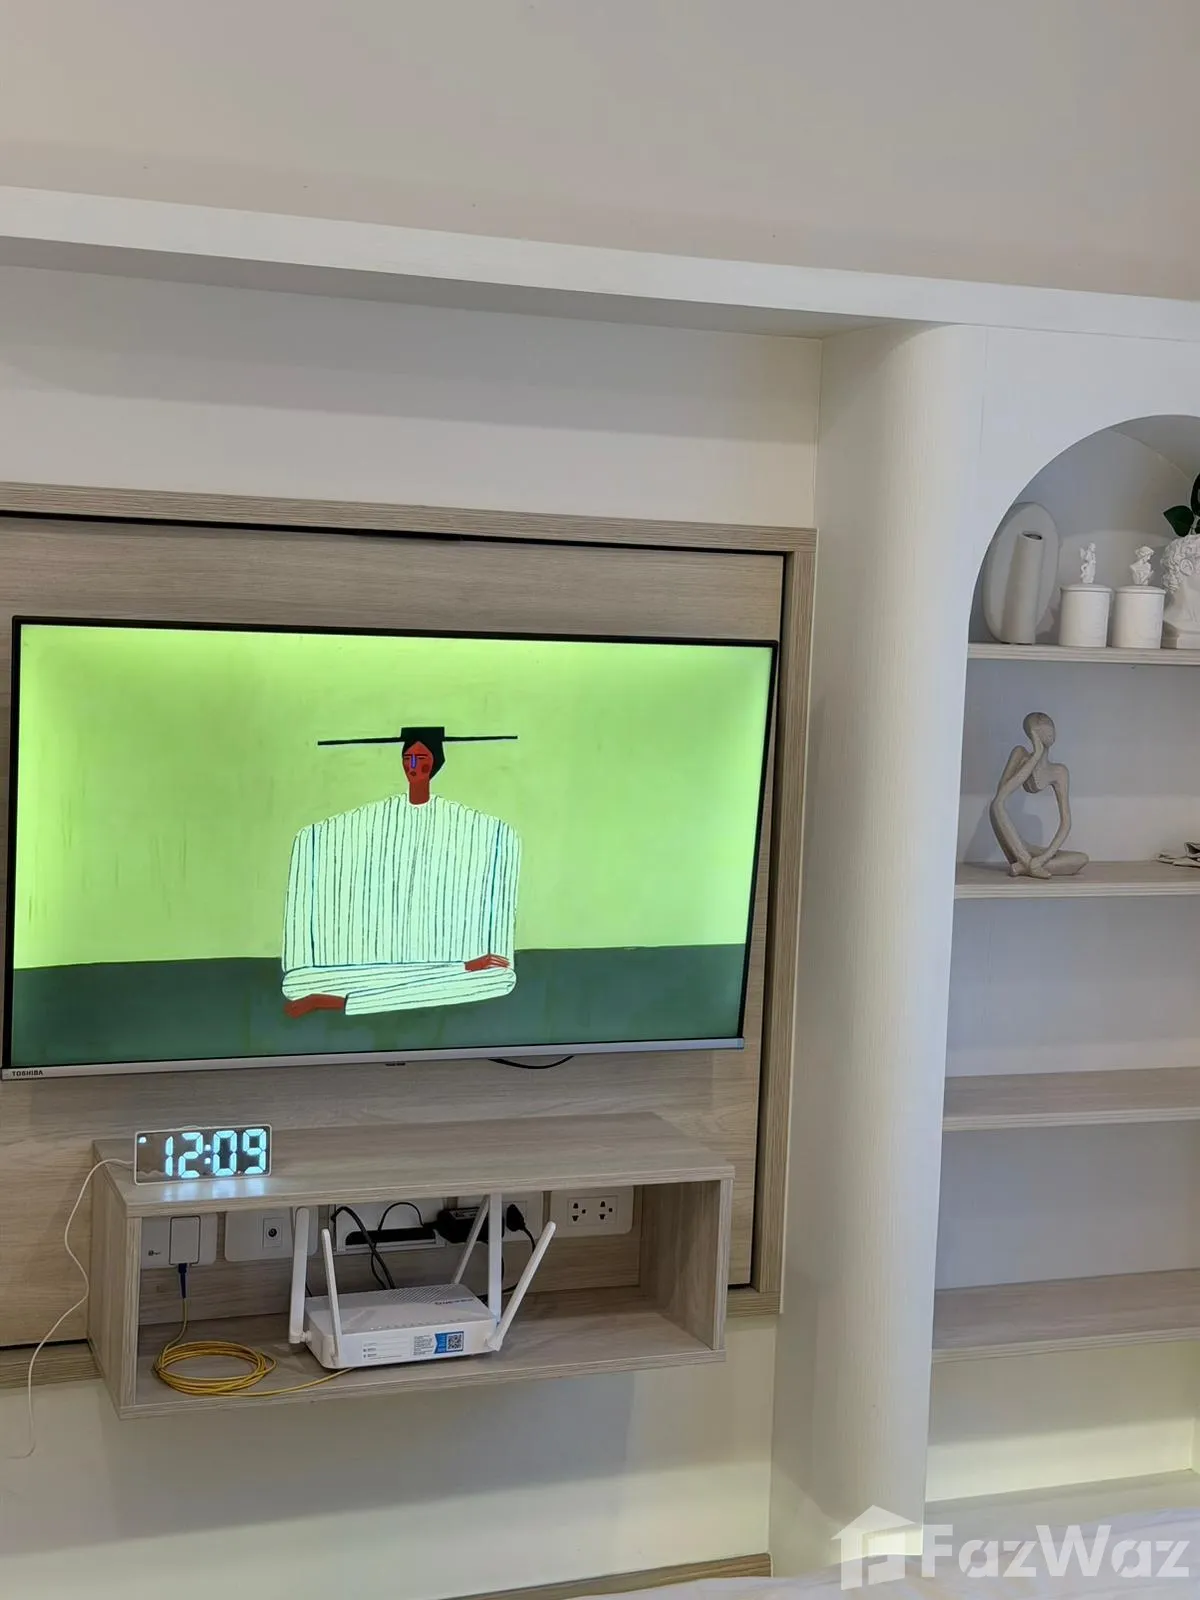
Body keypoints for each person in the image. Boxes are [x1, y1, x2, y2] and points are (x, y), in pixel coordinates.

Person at [282, 725, 520, 1017]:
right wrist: (462, 968)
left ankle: (334, 1001)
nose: (413, 766)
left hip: (447, 969)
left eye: (422, 758)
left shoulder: (475, 826)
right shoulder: (368, 821)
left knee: (499, 978)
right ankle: (441, 977)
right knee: (297, 983)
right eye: (408, 758)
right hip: (397, 971)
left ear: (435, 764)